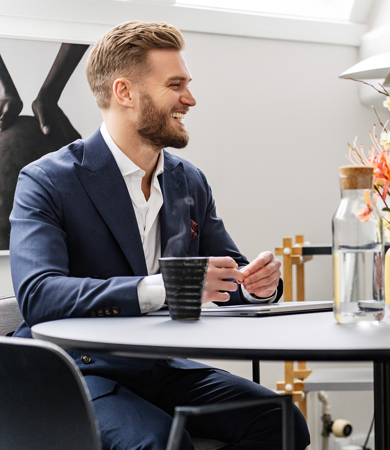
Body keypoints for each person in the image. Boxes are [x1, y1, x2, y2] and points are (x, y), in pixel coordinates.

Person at [10, 20, 310, 450]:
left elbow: (229, 273)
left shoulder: (189, 180)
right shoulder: (46, 180)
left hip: (161, 368)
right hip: (78, 371)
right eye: (176, 85)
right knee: (159, 443)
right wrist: (165, 288)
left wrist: (259, 285)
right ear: (125, 93)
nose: (190, 99)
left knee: (281, 421)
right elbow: (40, 295)